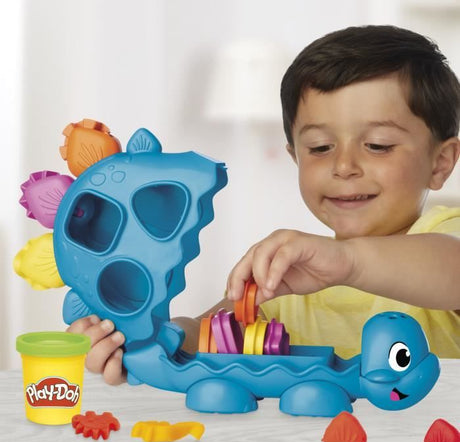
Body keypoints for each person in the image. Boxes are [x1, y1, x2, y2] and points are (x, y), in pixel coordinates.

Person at [67, 25, 460, 385]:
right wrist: (135, 343)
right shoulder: (289, 277)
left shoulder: (442, 238)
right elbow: (202, 335)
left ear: (440, 163)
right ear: (295, 157)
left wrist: (347, 261)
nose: (344, 166)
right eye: (320, 147)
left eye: (377, 145)